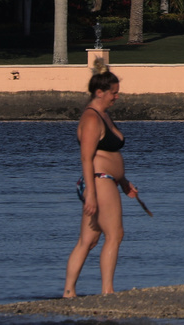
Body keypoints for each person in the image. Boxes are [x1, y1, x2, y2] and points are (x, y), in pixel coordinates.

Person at [63, 60, 139, 297]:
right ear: (99, 92)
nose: (117, 97)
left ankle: (69, 292)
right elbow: (86, 158)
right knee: (115, 235)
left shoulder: (103, 115)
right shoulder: (91, 119)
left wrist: (124, 182)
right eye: (113, 93)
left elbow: (109, 155)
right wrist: (91, 195)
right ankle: (108, 291)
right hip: (98, 181)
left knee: (89, 239)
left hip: (106, 181)